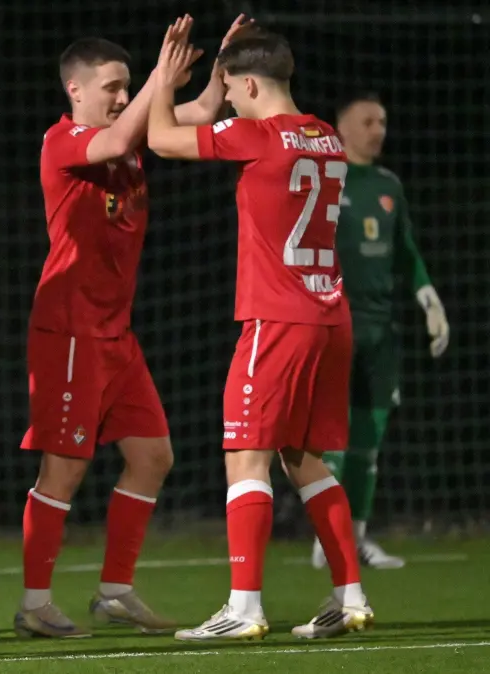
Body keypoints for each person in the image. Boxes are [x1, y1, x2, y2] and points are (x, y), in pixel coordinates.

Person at [13, 15, 246, 638]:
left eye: (125, 86)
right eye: (112, 86)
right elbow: (116, 140)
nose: (122, 96)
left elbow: (196, 108)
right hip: (68, 332)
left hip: (116, 334)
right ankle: (35, 603)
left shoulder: (130, 133)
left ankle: (115, 590)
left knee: (152, 456)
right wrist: (155, 81)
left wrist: (224, 65)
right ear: (76, 90)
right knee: (63, 469)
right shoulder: (62, 142)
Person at [146, 26, 375, 640]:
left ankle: (243, 607)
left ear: (247, 84)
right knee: (304, 458)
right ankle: (349, 595)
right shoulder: (326, 136)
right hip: (331, 315)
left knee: (244, 453)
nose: (231, 101)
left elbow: (161, 139)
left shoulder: (257, 134)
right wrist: (226, 69)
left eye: (232, 89)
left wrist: (167, 82)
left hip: (278, 319)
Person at [308, 92, 449, 571]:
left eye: (383, 121)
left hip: (381, 330)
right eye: (368, 121)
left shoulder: (389, 184)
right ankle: (326, 540)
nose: (379, 130)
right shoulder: (325, 178)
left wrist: (429, 299)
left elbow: (405, 250)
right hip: (336, 325)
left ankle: (358, 539)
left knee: (370, 439)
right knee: (333, 439)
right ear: (341, 128)